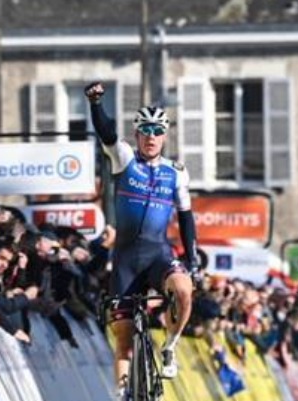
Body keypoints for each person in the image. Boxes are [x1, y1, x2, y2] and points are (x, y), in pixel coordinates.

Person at [85, 82, 198, 400]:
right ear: (136, 134)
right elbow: (106, 132)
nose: (151, 136)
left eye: (157, 131)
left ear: (164, 136)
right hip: (126, 260)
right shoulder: (124, 159)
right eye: (145, 130)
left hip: (158, 254)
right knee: (123, 340)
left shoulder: (177, 173)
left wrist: (192, 259)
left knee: (184, 290)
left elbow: (186, 217)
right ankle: (123, 392)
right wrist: (96, 103)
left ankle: (170, 346)